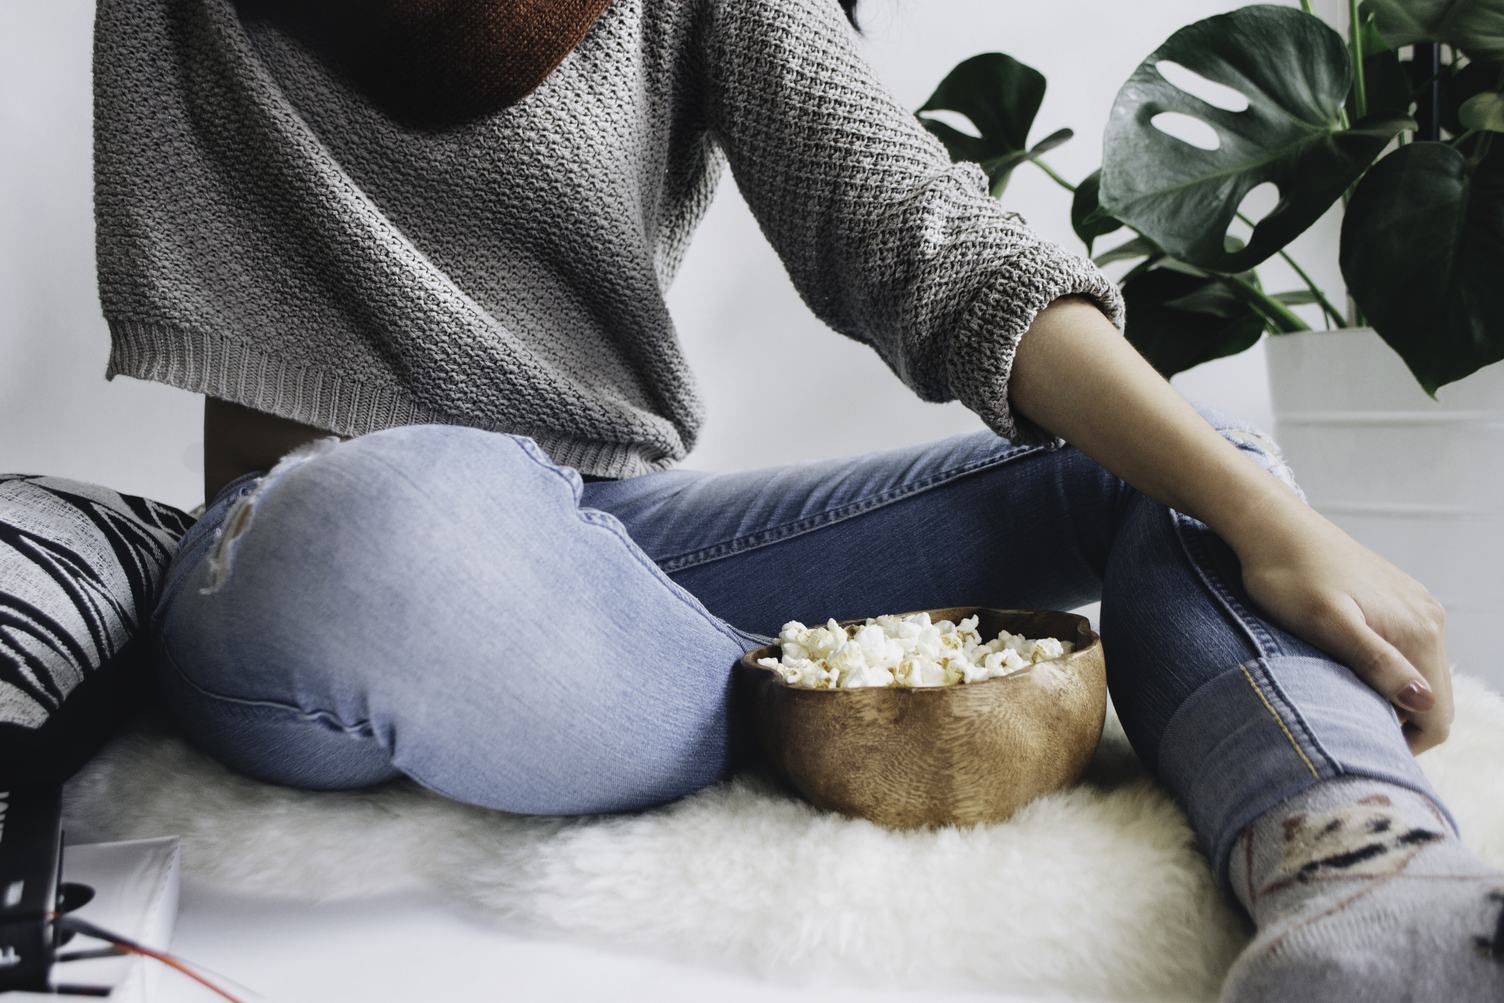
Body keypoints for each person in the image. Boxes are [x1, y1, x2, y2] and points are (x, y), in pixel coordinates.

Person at [92, 0, 1502, 999]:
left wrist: (1276, 522)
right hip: (310, 564)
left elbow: (923, 239)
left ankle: (1358, 870)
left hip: (611, 549)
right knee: (393, 519)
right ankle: (811, 705)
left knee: (1185, 456)